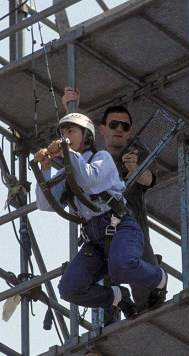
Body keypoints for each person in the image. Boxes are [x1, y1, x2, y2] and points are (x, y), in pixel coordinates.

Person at [33, 112, 168, 322]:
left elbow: (90, 181)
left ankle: (159, 278)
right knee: (69, 288)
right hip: (95, 240)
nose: (65, 137)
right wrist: (45, 168)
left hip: (120, 227)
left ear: (86, 135)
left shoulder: (101, 158)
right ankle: (116, 297)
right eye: (63, 133)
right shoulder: (69, 170)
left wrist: (68, 152)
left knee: (121, 267)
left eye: (71, 132)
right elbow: (45, 204)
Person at [62, 88, 165, 311]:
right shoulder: (97, 162)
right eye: (113, 125)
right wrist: (71, 112)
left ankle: (157, 284)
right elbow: (76, 148)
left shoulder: (138, 154)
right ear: (102, 129)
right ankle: (120, 305)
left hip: (131, 229)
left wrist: (135, 169)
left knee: (148, 299)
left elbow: (148, 179)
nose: (119, 130)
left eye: (124, 127)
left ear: (129, 132)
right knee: (111, 302)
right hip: (100, 234)